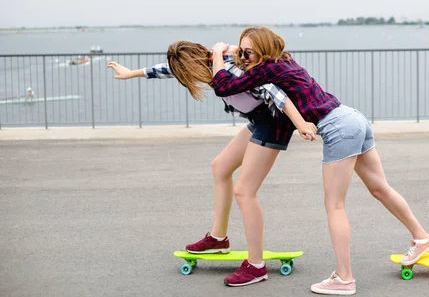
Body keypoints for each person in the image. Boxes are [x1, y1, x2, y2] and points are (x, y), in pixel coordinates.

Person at [209, 27, 429, 296]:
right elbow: (250, 56)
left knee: (335, 206)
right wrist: (233, 50)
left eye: (248, 52)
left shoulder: (266, 69)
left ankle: (344, 278)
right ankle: (422, 238)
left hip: (338, 128)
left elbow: (222, 86)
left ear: (263, 51)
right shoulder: (284, 59)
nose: (243, 57)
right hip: (352, 117)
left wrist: (216, 55)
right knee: (379, 188)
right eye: (241, 50)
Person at [107, 41, 316, 287]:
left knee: (244, 192)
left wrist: (301, 123)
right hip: (259, 121)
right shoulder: (204, 66)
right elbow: (168, 69)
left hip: (273, 123)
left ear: (195, 64)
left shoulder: (231, 68)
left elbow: (273, 91)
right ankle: (218, 239)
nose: (189, 79)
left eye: (186, 73)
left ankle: (256, 266)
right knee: (220, 166)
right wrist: (132, 73)